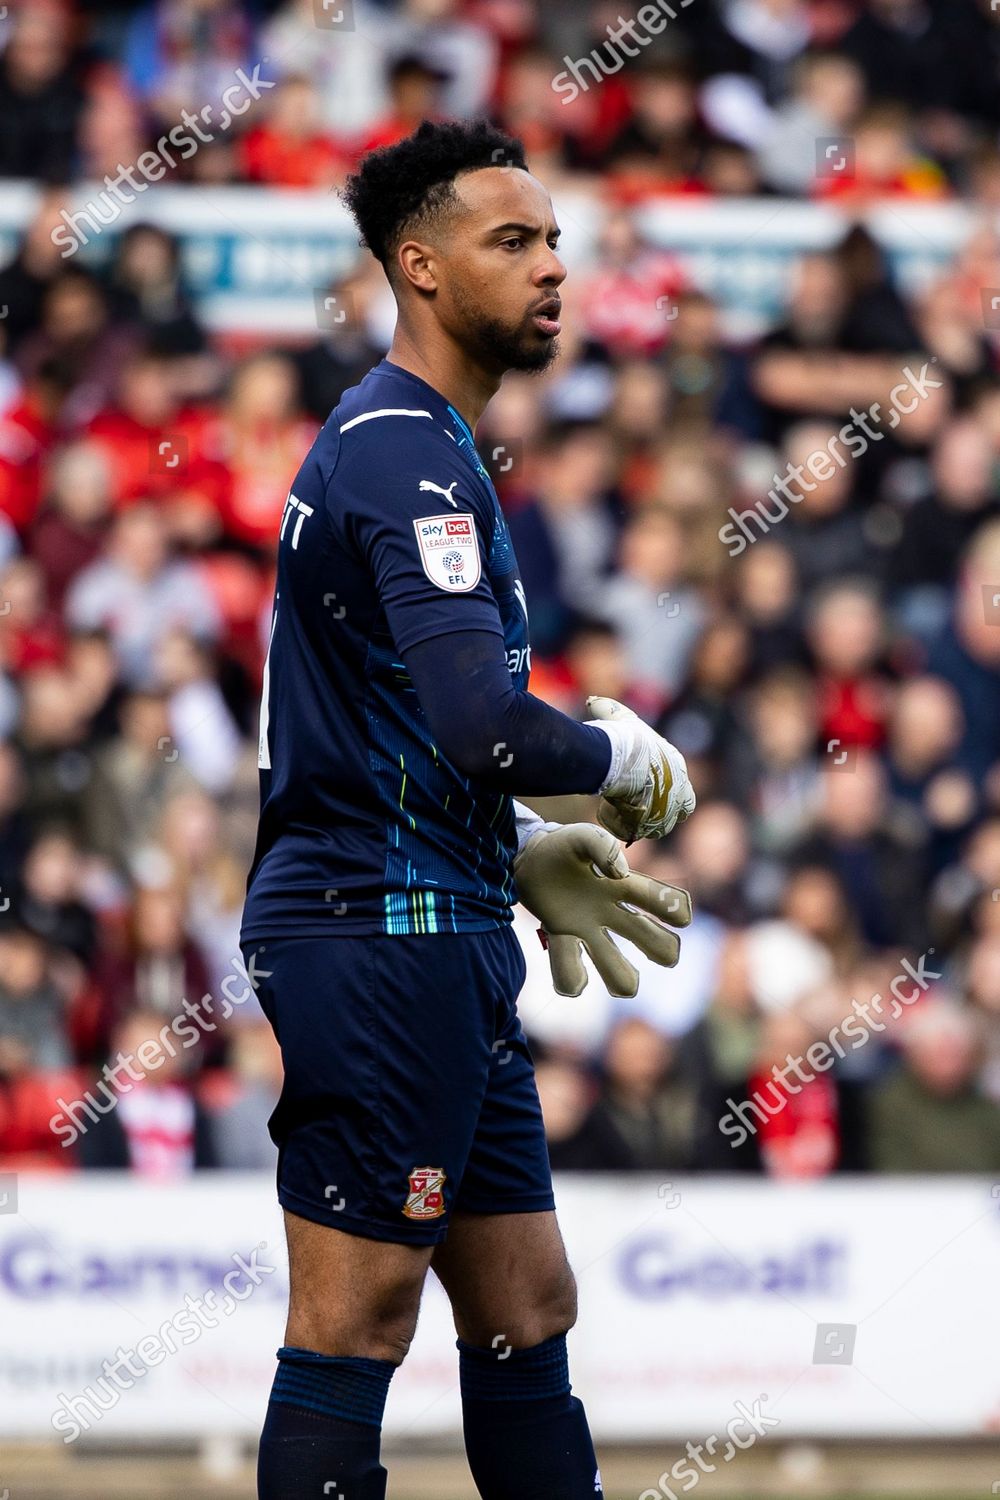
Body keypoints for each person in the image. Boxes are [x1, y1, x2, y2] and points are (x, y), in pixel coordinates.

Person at [238, 119, 697, 1500]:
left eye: (556, 238)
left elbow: (390, 725)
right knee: (355, 1320)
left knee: (525, 1306)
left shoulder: (423, 445)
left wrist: (508, 854)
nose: (553, 265)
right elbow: (483, 724)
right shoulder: (404, 454)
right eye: (516, 242)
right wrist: (616, 764)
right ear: (420, 268)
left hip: (442, 912)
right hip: (376, 931)